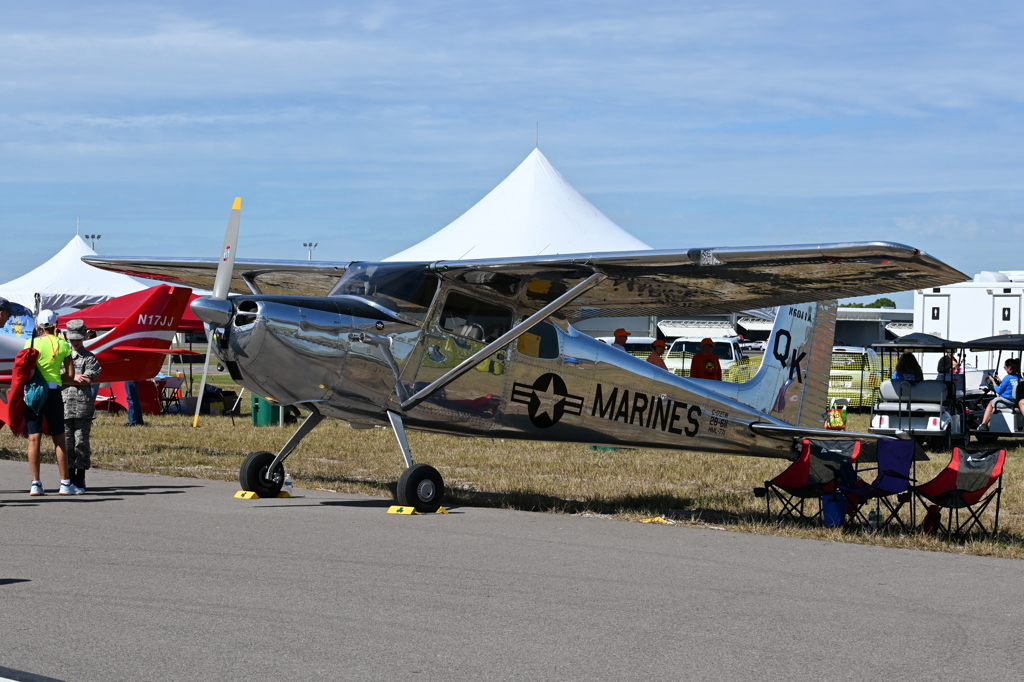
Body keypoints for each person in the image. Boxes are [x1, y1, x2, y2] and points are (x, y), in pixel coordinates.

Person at [24, 310, 82, 495]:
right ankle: (65, 484)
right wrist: (57, 377)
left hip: (34, 393)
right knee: (59, 438)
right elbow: (71, 375)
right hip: (54, 392)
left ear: (39, 325)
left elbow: (27, 370)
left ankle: (36, 484)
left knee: (34, 438)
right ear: (55, 325)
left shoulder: (31, 342)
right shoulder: (63, 344)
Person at [62, 320, 101, 491]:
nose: (75, 342)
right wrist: (75, 378)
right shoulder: (62, 357)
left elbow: (88, 378)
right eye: (72, 339)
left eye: (78, 338)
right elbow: (56, 377)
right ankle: (68, 478)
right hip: (64, 406)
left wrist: (70, 378)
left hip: (83, 407)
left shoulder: (90, 358)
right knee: (67, 443)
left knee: (81, 443)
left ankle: (80, 478)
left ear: (84, 337)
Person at [978, 358, 1021, 432]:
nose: (1005, 369)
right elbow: (1009, 386)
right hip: (1016, 401)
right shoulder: (1019, 378)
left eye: (1005, 367)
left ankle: (983, 424)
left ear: (1009, 367)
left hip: (1007, 401)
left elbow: (999, 391)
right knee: (995, 401)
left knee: (991, 402)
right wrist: (1000, 381)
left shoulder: (1007, 378)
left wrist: (993, 381)